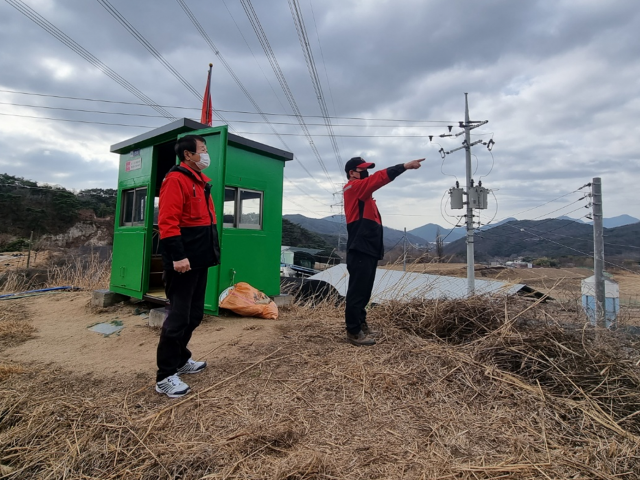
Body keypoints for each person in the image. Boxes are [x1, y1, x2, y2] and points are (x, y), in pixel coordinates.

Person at [155, 135, 221, 398]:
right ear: (188, 156)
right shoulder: (175, 180)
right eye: (202, 150)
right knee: (178, 318)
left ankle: (181, 360)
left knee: (193, 316)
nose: (206, 154)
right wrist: (178, 256)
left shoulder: (201, 183)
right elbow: (167, 222)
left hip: (199, 260)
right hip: (183, 262)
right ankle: (164, 376)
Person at [343, 156, 424, 346]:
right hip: (360, 248)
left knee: (365, 291)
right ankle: (353, 331)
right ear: (352, 173)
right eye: (362, 169)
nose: (366, 172)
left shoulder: (364, 194)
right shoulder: (354, 188)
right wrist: (404, 166)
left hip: (367, 249)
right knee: (357, 291)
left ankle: (361, 324)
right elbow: (379, 178)